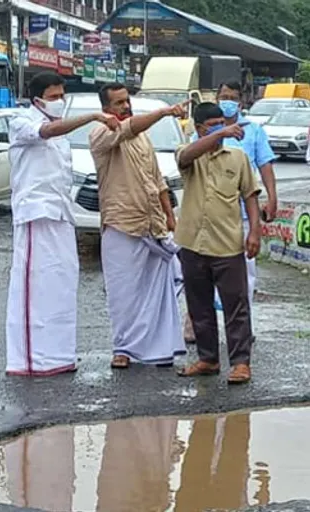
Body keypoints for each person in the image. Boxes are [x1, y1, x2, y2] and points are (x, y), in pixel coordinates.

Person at [5, 72, 120, 376]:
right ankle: (29, 361)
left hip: (60, 213)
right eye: (55, 97)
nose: (61, 101)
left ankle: (57, 356)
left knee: (61, 284)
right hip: (35, 213)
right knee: (35, 286)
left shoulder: (63, 137)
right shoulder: (21, 121)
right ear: (38, 99)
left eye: (62, 95)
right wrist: (94, 115)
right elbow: (47, 131)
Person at [89, 83, 188, 368]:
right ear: (106, 108)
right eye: (118, 103)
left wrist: (170, 216)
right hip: (121, 223)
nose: (125, 106)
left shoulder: (143, 138)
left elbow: (157, 180)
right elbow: (127, 128)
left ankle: (155, 348)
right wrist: (165, 111)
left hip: (152, 223)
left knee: (155, 288)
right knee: (124, 292)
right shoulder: (100, 133)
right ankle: (122, 349)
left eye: (127, 100)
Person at [174, 102, 261, 384]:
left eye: (222, 124)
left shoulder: (237, 158)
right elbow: (186, 155)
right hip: (192, 243)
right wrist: (214, 136)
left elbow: (250, 195)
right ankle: (208, 359)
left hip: (228, 243)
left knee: (236, 305)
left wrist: (255, 232)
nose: (221, 130)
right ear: (199, 129)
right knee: (199, 305)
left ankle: (240, 363)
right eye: (213, 125)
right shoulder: (189, 155)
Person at [184, 81, 277, 342]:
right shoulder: (202, 132)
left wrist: (272, 198)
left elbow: (264, 168)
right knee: (202, 274)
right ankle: (199, 328)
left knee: (242, 277)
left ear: (240, 101)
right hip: (207, 217)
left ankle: (242, 331)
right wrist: (217, 133)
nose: (228, 101)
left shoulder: (254, 131)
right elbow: (187, 161)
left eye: (232, 97)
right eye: (223, 96)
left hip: (242, 217)